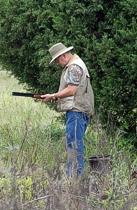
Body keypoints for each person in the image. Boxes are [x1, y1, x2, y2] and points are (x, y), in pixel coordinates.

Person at [41, 42, 94, 178]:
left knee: (74, 144)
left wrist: (53, 95)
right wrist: (58, 97)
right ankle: (74, 176)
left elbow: (72, 90)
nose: (57, 63)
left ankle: (75, 178)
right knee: (74, 143)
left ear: (63, 55)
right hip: (80, 109)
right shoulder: (77, 63)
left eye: (57, 60)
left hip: (76, 111)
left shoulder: (73, 67)